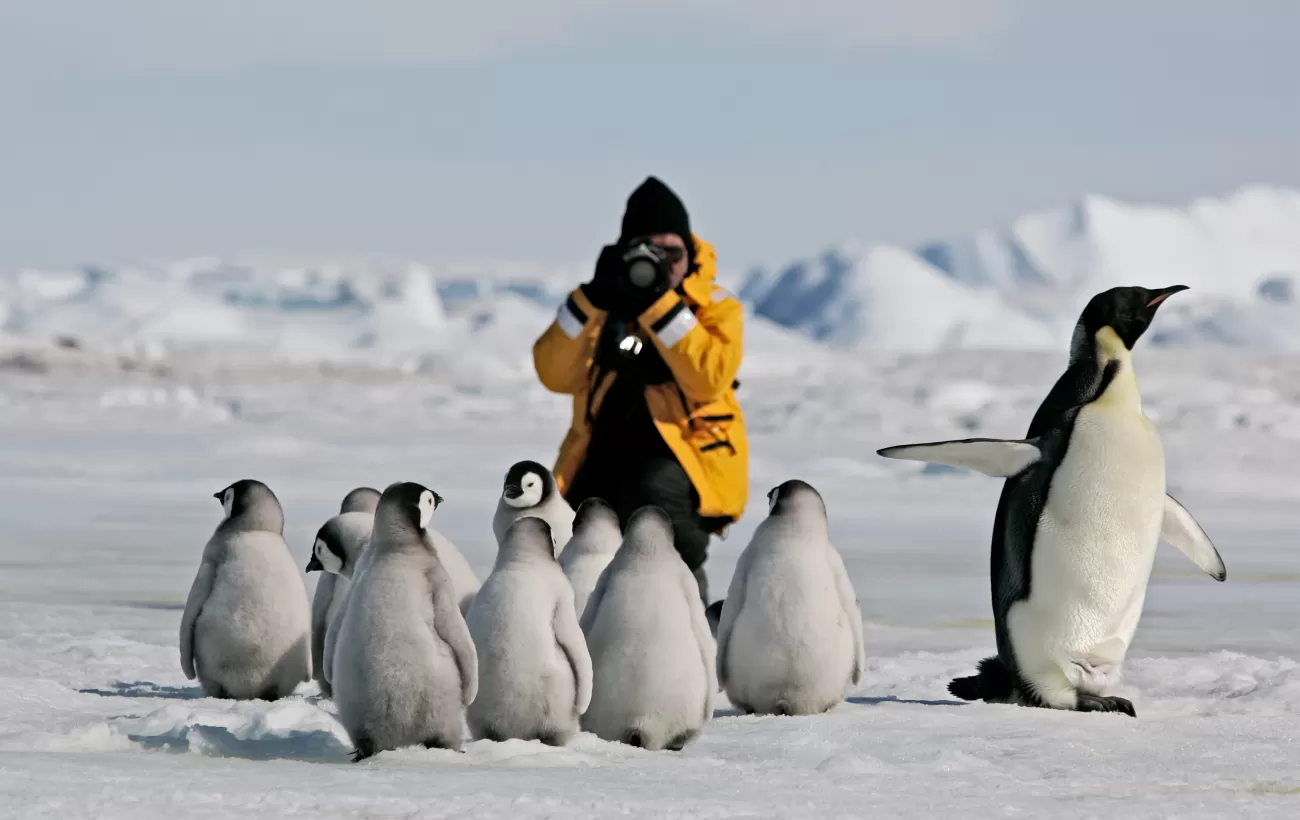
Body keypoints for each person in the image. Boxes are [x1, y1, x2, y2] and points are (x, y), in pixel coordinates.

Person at [532, 176, 749, 604]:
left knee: (657, 508)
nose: (664, 263)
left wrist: (659, 305)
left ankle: (687, 623)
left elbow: (709, 376)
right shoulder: (601, 305)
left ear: (691, 252)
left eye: (674, 252)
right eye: (651, 251)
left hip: (686, 457)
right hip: (602, 452)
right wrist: (591, 298)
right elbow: (552, 373)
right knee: (576, 531)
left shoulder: (714, 307)